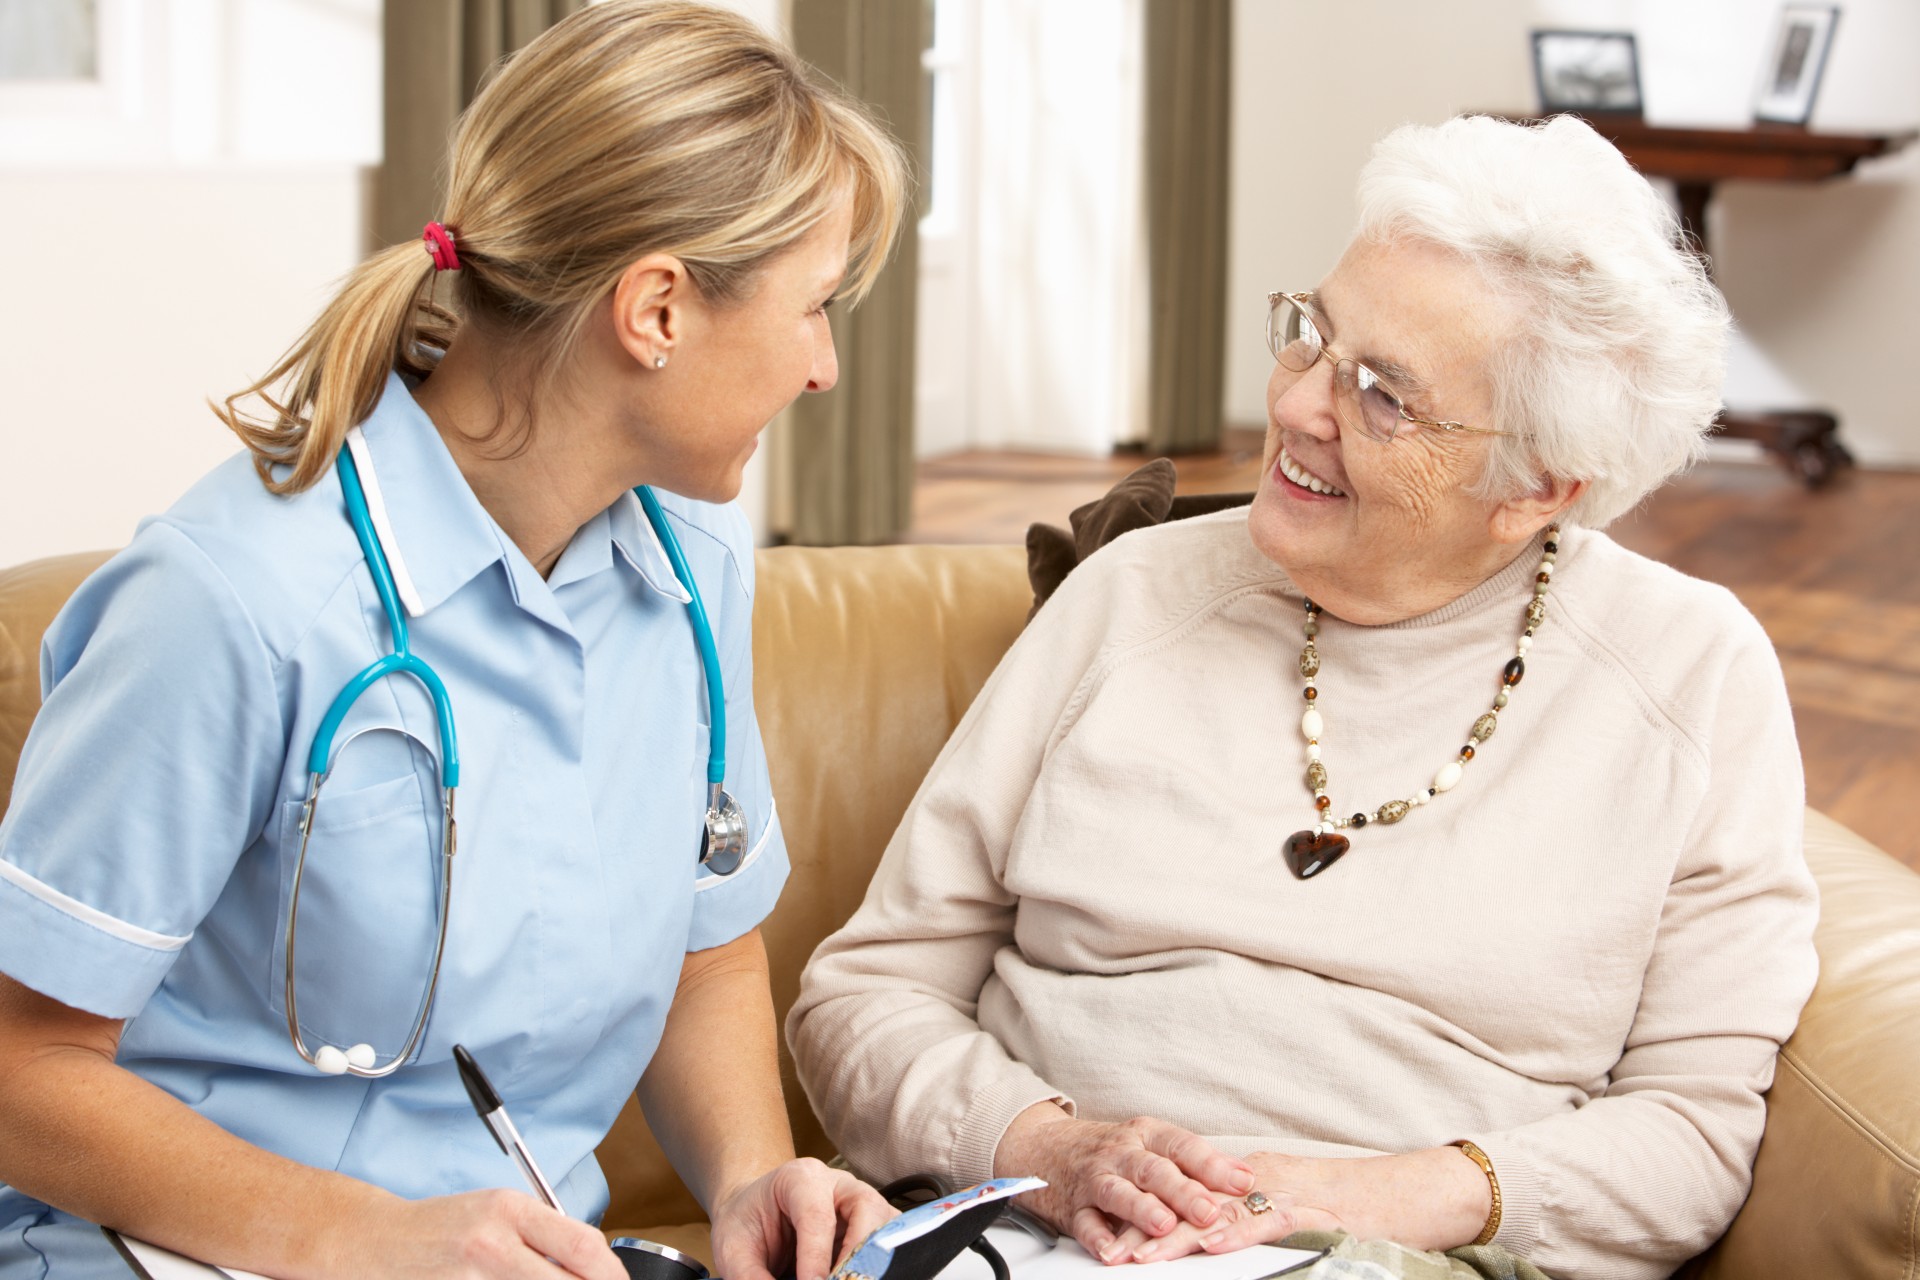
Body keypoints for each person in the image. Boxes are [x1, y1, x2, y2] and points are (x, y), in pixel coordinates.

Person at [787, 114, 1819, 1280]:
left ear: (1538, 484)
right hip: (1030, 1234)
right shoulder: (1132, 596)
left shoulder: (1689, 673)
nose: (1296, 406)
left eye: (1382, 395)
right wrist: (1053, 1148)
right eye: (1310, 337)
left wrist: (1342, 1196)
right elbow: (864, 996)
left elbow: (1693, 1129)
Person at [0, 4, 906, 1277]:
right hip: (167, 1255)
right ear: (655, 311)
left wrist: (755, 1176)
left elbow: (703, 944)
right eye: (816, 307)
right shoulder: (236, 598)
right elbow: (21, 1068)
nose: (823, 368)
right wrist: (364, 1236)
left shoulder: (691, 575)